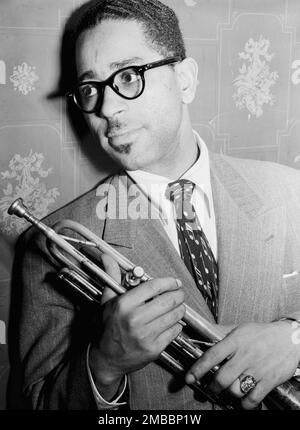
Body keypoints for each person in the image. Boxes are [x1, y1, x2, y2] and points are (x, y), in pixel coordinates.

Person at [9, 0, 300, 410]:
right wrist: (104, 364)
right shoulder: (51, 244)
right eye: (90, 89)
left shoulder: (290, 190)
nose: (107, 110)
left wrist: (295, 337)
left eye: (128, 76)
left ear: (185, 80)